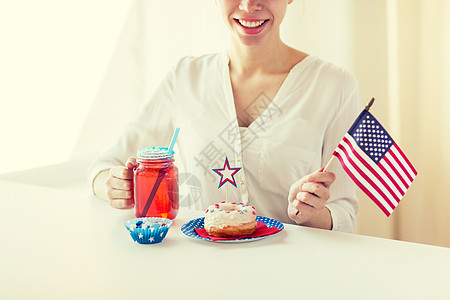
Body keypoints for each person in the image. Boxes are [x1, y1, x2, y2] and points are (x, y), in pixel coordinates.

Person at [88, 0, 361, 232]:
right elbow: (103, 167)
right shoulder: (185, 77)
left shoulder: (333, 85)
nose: (247, 5)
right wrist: (114, 186)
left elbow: (344, 213)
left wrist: (315, 215)